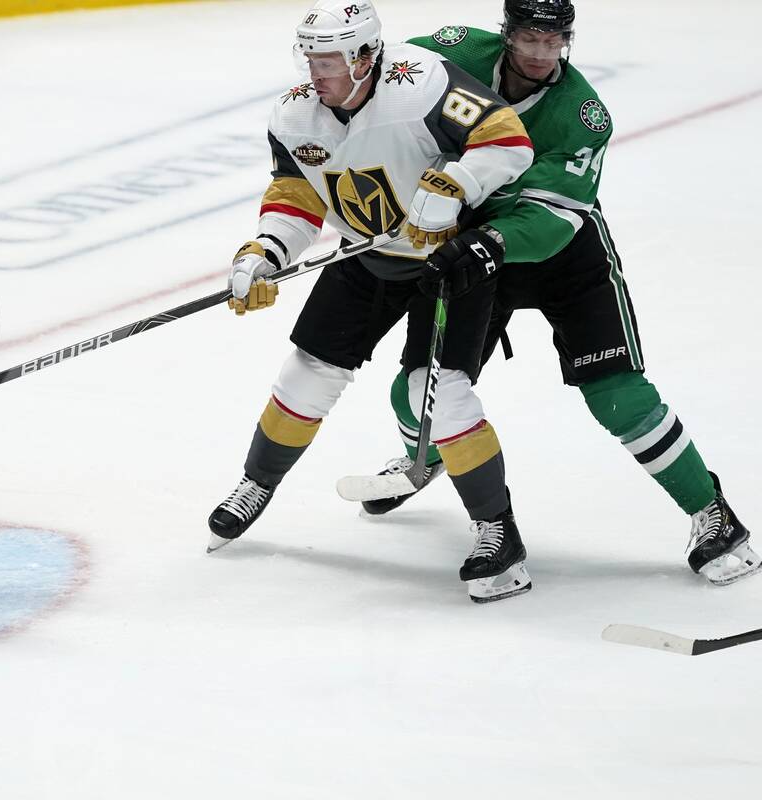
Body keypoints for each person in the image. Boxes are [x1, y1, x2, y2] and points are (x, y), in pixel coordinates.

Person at [356, 0, 758, 587]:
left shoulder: (582, 115)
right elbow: (379, 75)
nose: (543, 54)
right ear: (507, 33)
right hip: (474, 251)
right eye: (531, 38)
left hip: (564, 256)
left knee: (616, 395)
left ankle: (713, 515)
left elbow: (549, 223)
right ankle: (435, 452)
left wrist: (484, 240)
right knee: (418, 391)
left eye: (555, 41)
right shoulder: (454, 51)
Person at [206, 0, 537, 603]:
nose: (316, 73)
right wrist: (264, 252)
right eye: (310, 58)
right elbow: (295, 196)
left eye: (329, 59)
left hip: (447, 260)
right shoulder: (294, 115)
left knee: (434, 392)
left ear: (365, 56)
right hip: (367, 254)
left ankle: (498, 531)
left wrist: (454, 185)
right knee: (305, 373)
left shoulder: (422, 84)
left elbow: (507, 141)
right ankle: (257, 483)